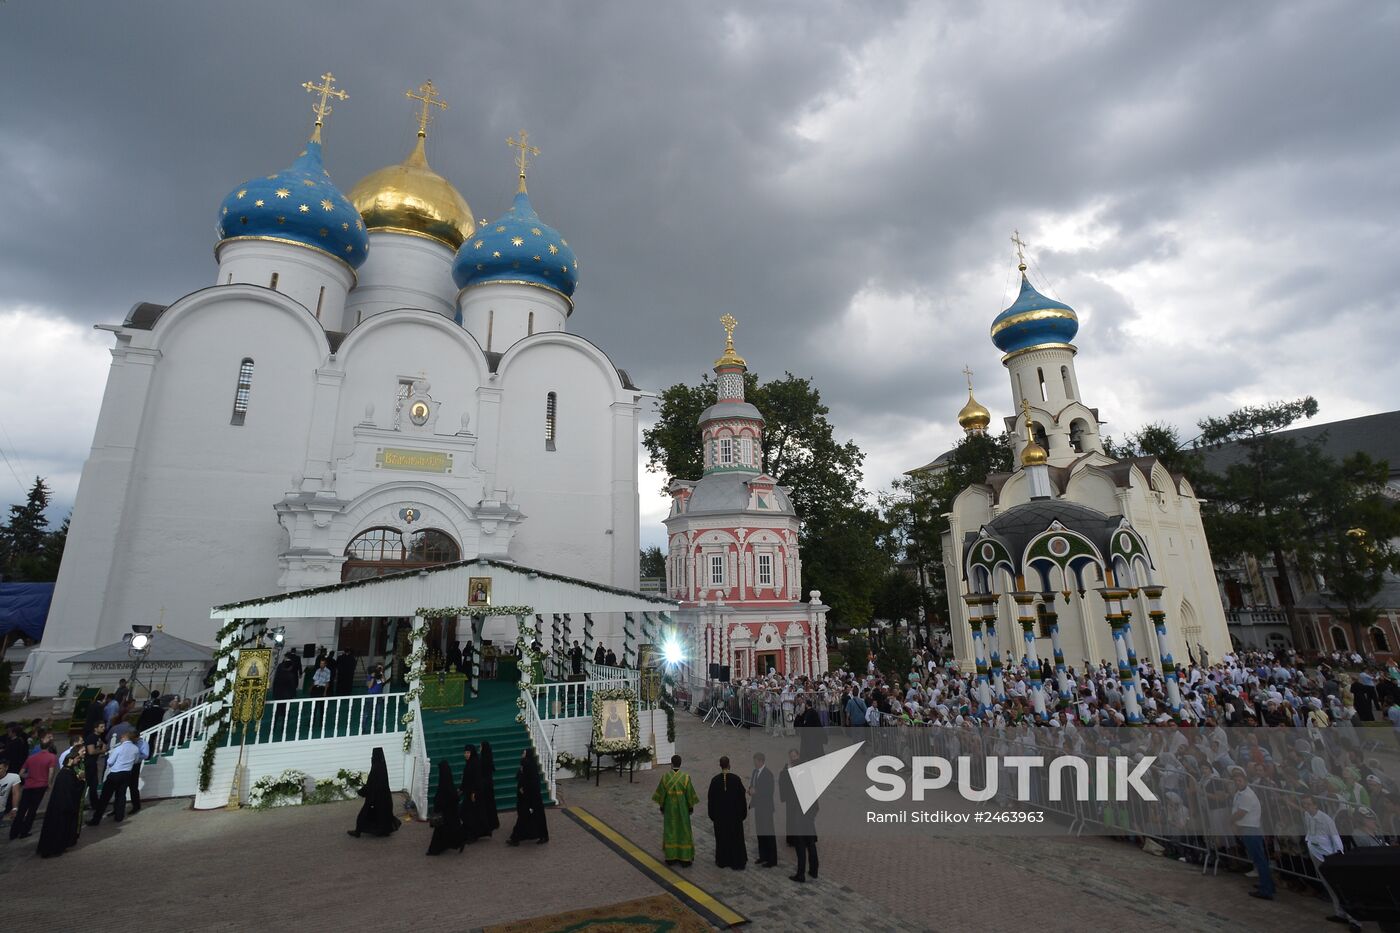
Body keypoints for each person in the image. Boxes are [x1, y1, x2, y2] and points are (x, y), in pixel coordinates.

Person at [1301, 795, 1358, 929]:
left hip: (1328, 855)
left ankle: (1353, 918)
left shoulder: (1326, 820)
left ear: (1315, 805)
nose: (1306, 807)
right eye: (1304, 804)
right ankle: (1340, 913)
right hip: (1316, 854)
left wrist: (1336, 855)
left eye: (1309, 804)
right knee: (1328, 885)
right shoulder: (1307, 815)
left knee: (1338, 886)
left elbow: (1335, 837)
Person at [1229, 766, 1274, 900]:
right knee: (1258, 858)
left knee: (1259, 859)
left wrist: (1231, 821)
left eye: (1240, 780)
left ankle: (1267, 889)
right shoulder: (1239, 793)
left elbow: (1241, 812)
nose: (1238, 783)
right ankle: (1267, 884)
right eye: (1236, 781)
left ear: (1245, 781)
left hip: (1251, 828)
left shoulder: (1247, 795)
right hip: (1246, 828)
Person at [87, 731, 146, 826]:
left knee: (105, 797)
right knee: (121, 795)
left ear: (125, 738)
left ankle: (96, 819)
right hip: (127, 773)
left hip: (115, 773)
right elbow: (135, 761)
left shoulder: (119, 748)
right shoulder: (135, 749)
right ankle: (119, 816)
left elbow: (110, 761)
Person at [780, 748, 819, 883]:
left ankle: (800, 874)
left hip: (800, 816)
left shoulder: (796, 773)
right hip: (808, 814)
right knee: (810, 844)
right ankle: (814, 871)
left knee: (801, 846)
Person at [652, 754, 699, 866]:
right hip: (682, 808)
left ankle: (671, 857)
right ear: (680, 763)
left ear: (671, 764)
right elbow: (690, 795)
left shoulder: (665, 777)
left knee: (670, 830)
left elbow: (661, 794)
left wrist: (662, 806)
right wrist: (690, 807)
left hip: (669, 809)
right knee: (684, 830)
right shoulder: (686, 777)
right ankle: (685, 858)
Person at [36, 754, 85, 859]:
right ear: (71, 760)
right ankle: (56, 848)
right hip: (64, 807)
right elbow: (72, 790)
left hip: (57, 806)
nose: (79, 761)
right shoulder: (67, 774)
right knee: (60, 827)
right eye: (77, 759)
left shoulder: (63, 773)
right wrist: (81, 781)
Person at [10, 739, 58, 839]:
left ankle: (13, 832)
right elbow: (51, 772)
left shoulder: (31, 758)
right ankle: (24, 831)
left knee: (22, 810)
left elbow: (21, 773)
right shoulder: (52, 757)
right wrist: (49, 784)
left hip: (29, 786)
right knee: (32, 810)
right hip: (40, 786)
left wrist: (29, 776)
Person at [347, 747, 399, 838]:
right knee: (383, 814)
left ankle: (358, 832)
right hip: (384, 797)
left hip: (374, 797)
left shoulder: (376, 768)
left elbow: (371, 784)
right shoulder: (382, 767)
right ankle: (384, 830)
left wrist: (361, 792)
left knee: (363, 815)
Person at [708, 756, 748, 870]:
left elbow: (711, 800)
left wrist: (713, 815)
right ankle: (737, 861)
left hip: (721, 818)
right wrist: (742, 814)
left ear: (720, 765)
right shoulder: (736, 779)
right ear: (729, 765)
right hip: (735, 818)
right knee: (736, 839)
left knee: (722, 839)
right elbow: (742, 798)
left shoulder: (715, 781)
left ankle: (723, 860)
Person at [507, 749, 549, 845]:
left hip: (532, 798)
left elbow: (531, 782)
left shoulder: (529, 766)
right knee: (523, 817)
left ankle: (517, 838)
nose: (522, 754)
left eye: (524, 753)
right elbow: (521, 777)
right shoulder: (526, 765)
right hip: (526, 797)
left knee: (532, 817)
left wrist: (524, 788)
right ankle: (517, 837)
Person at [426, 760, 464, 855]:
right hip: (451, 813)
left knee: (440, 832)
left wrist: (436, 806)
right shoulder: (449, 782)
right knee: (452, 829)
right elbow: (454, 797)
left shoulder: (443, 783)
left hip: (444, 814)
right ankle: (458, 842)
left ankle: (435, 850)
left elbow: (440, 799)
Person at [749, 752, 777, 868]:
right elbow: (752, 785)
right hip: (758, 808)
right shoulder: (755, 772)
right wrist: (750, 790)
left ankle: (772, 859)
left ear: (761, 761)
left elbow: (769, 792)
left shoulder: (768, 774)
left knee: (768, 833)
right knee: (760, 832)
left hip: (766, 809)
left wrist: (756, 792)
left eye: (755, 762)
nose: (754, 764)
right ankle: (763, 856)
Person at [458, 744, 486, 843]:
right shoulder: (469, 763)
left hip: (473, 793)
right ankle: (468, 833)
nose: (466, 755)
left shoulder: (475, 764)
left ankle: (473, 835)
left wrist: (474, 792)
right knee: (466, 813)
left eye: (468, 752)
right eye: (465, 752)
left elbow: (477, 779)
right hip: (468, 792)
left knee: (470, 814)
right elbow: (467, 779)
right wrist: (461, 789)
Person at [82, 721, 107, 810]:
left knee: (94, 784)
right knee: (90, 784)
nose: (103, 728)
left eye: (104, 726)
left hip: (93, 763)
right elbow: (91, 751)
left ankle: (95, 803)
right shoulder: (91, 738)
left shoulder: (98, 737)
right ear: (95, 728)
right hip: (88, 764)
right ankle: (93, 803)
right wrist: (102, 751)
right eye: (101, 727)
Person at [478, 741, 501, 837]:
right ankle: (493, 822)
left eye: (480, 746)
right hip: (489, 784)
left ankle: (488, 823)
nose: (479, 748)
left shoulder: (483, 759)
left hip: (485, 784)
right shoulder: (488, 758)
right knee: (490, 803)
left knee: (486, 804)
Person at [0, 760, 20, 834]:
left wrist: (14, 808)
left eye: (0, 768)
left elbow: (16, 793)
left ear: (6, 767)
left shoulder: (13, 777)